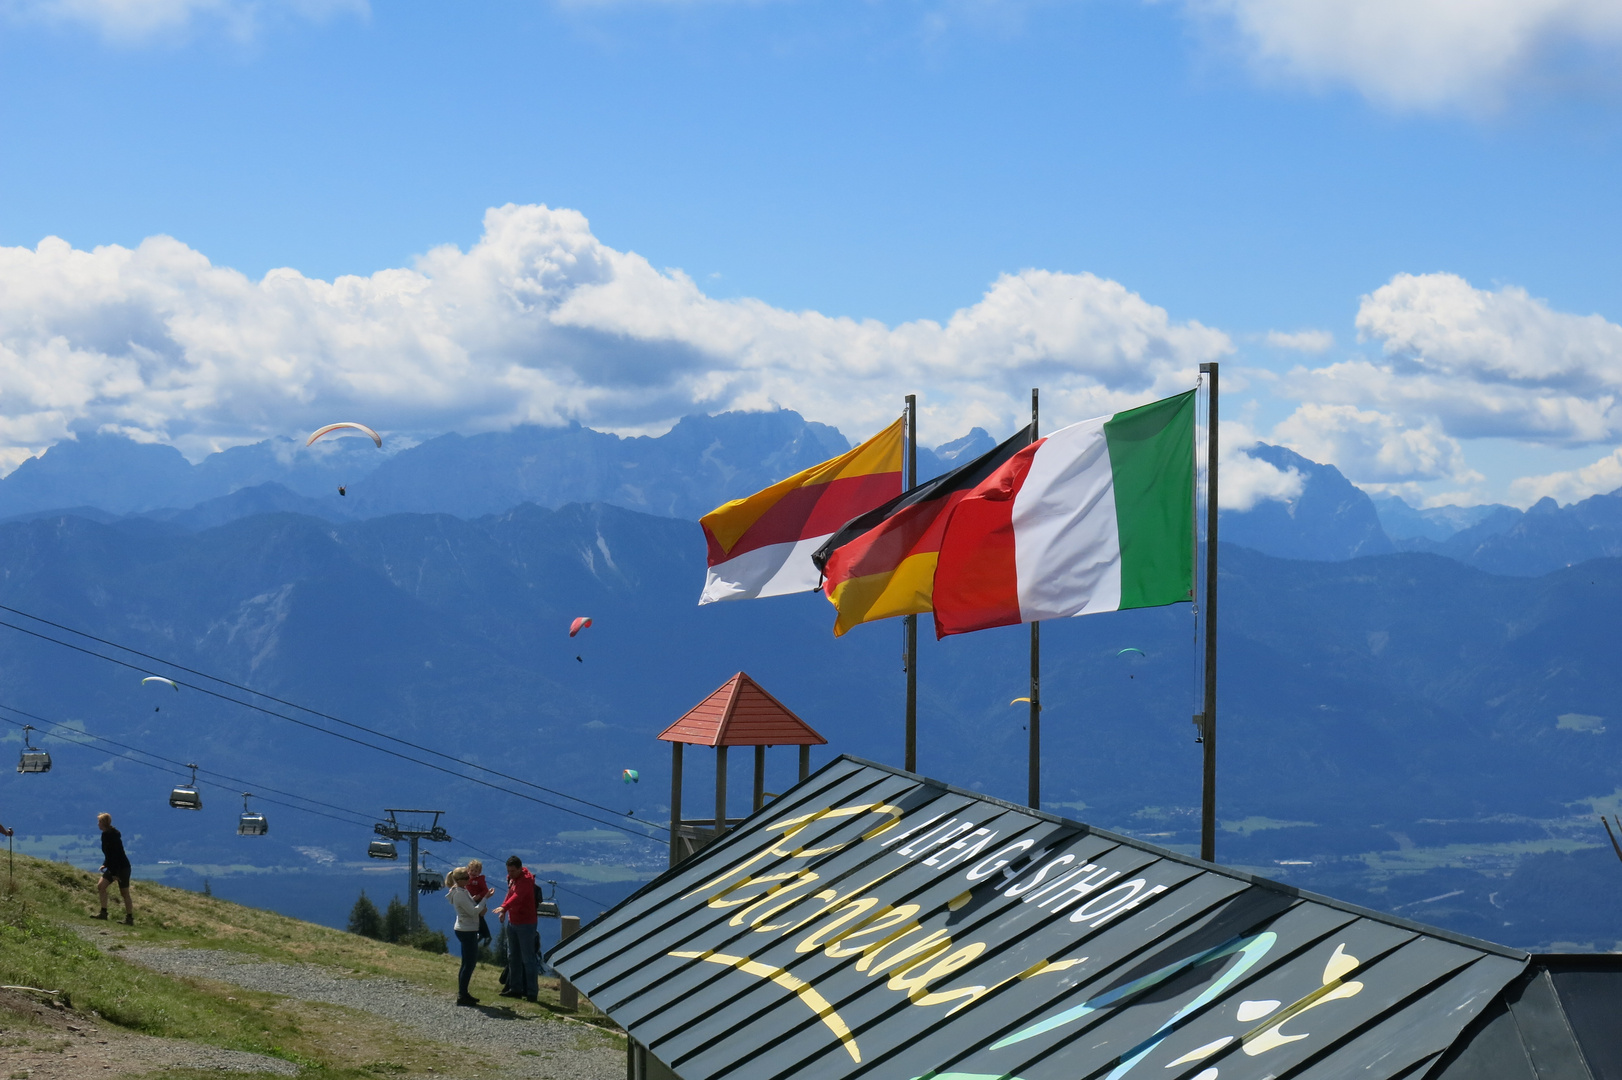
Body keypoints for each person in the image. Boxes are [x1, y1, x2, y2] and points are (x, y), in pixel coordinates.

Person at [493, 855, 539, 1002]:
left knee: (528, 958)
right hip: (513, 922)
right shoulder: (513, 879)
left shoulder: (526, 880)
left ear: (520, 868)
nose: (510, 874)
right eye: (508, 871)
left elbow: (518, 896)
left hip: (526, 924)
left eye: (512, 871)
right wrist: (504, 911)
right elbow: (510, 894)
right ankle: (515, 988)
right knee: (513, 957)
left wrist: (504, 906)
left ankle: (532, 992)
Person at [445, 867, 487, 1006]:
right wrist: (485, 899)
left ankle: (464, 992)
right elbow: (473, 912)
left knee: (466, 963)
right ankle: (462, 994)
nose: (469, 880)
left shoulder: (461, 891)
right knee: (469, 963)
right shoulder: (459, 894)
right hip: (466, 929)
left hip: (465, 928)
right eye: (466, 878)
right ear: (460, 880)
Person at [94, 812, 134, 925]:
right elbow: (109, 854)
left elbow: (116, 854)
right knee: (101, 886)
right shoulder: (106, 835)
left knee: (124, 893)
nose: (98, 824)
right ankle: (103, 913)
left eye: (99, 822)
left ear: (104, 823)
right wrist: (105, 864)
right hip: (113, 867)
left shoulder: (111, 836)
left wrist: (115, 873)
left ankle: (129, 918)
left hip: (122, 867)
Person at [465, 859, 493, 947]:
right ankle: (480, 933)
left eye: (476, 871)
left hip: (479, 901)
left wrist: (479, 896)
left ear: (479, 872)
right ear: (468, 870)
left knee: (479, 917)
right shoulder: (466, 879)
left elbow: (485, 890)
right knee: (475, 919)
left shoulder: (480, 880)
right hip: (470, 901)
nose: (473, 873)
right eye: (472, 870)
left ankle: (487, 935)